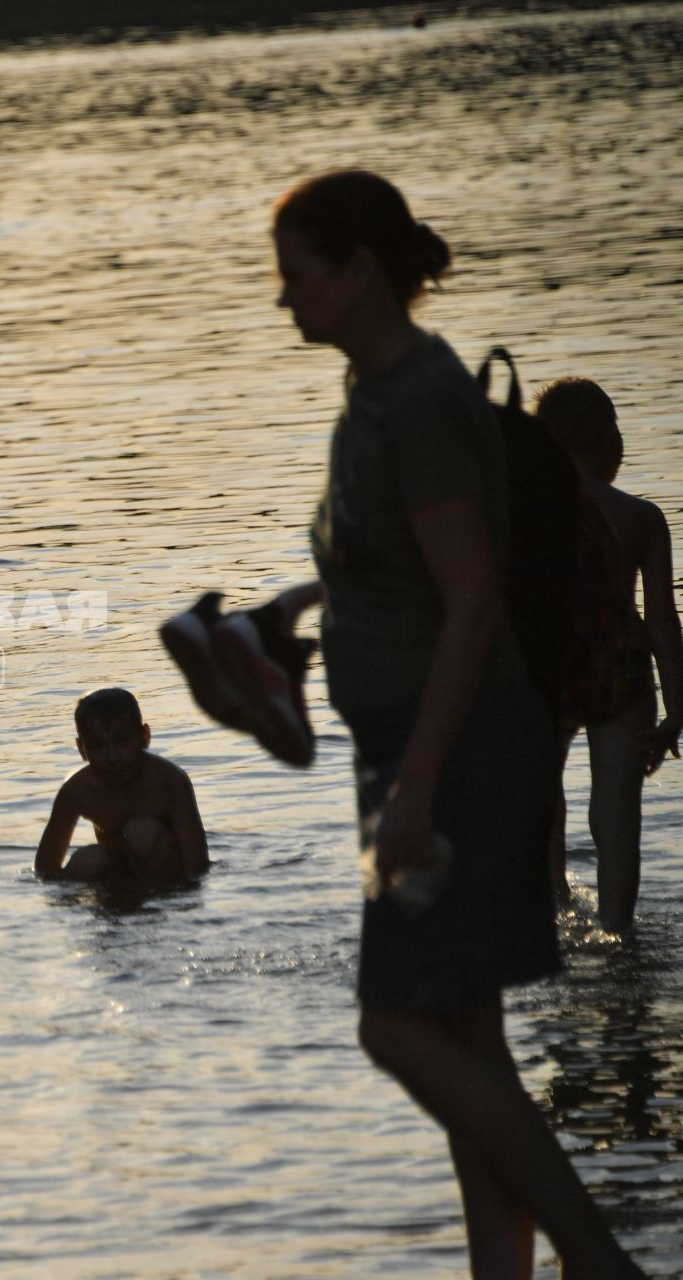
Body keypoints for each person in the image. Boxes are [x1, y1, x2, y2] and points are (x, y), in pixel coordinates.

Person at [248, 170, 641, 1275]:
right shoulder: (377, 395)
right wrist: (291, 616)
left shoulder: (420, 398)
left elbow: (472, 600)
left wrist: (416, 787)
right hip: (422, 746)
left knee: (397, 1025)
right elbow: (411, 576)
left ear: (360, 271)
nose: (285, 302)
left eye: (297, 277)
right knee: (468, 1040)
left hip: (455, 752)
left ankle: (601, 1261)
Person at [535, 376, 682, 932]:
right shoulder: (641, 517)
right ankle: (618, 930)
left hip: (547, 672)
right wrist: (678, 709)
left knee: (545, 803)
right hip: (621, 672)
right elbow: (664, 621)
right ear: (607, 442)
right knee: (617, 809)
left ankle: (554, 910)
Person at [34, 688, 208, 882]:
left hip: (166, 874)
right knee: (89, 860)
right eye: (99, 746)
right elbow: (45, 869)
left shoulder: (170, 781)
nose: (112, 757)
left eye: (123, 741)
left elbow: (198, 864)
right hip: (117, 876)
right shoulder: (76, 791)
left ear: (144, 737)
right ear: (82, 749)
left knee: (141, 832)